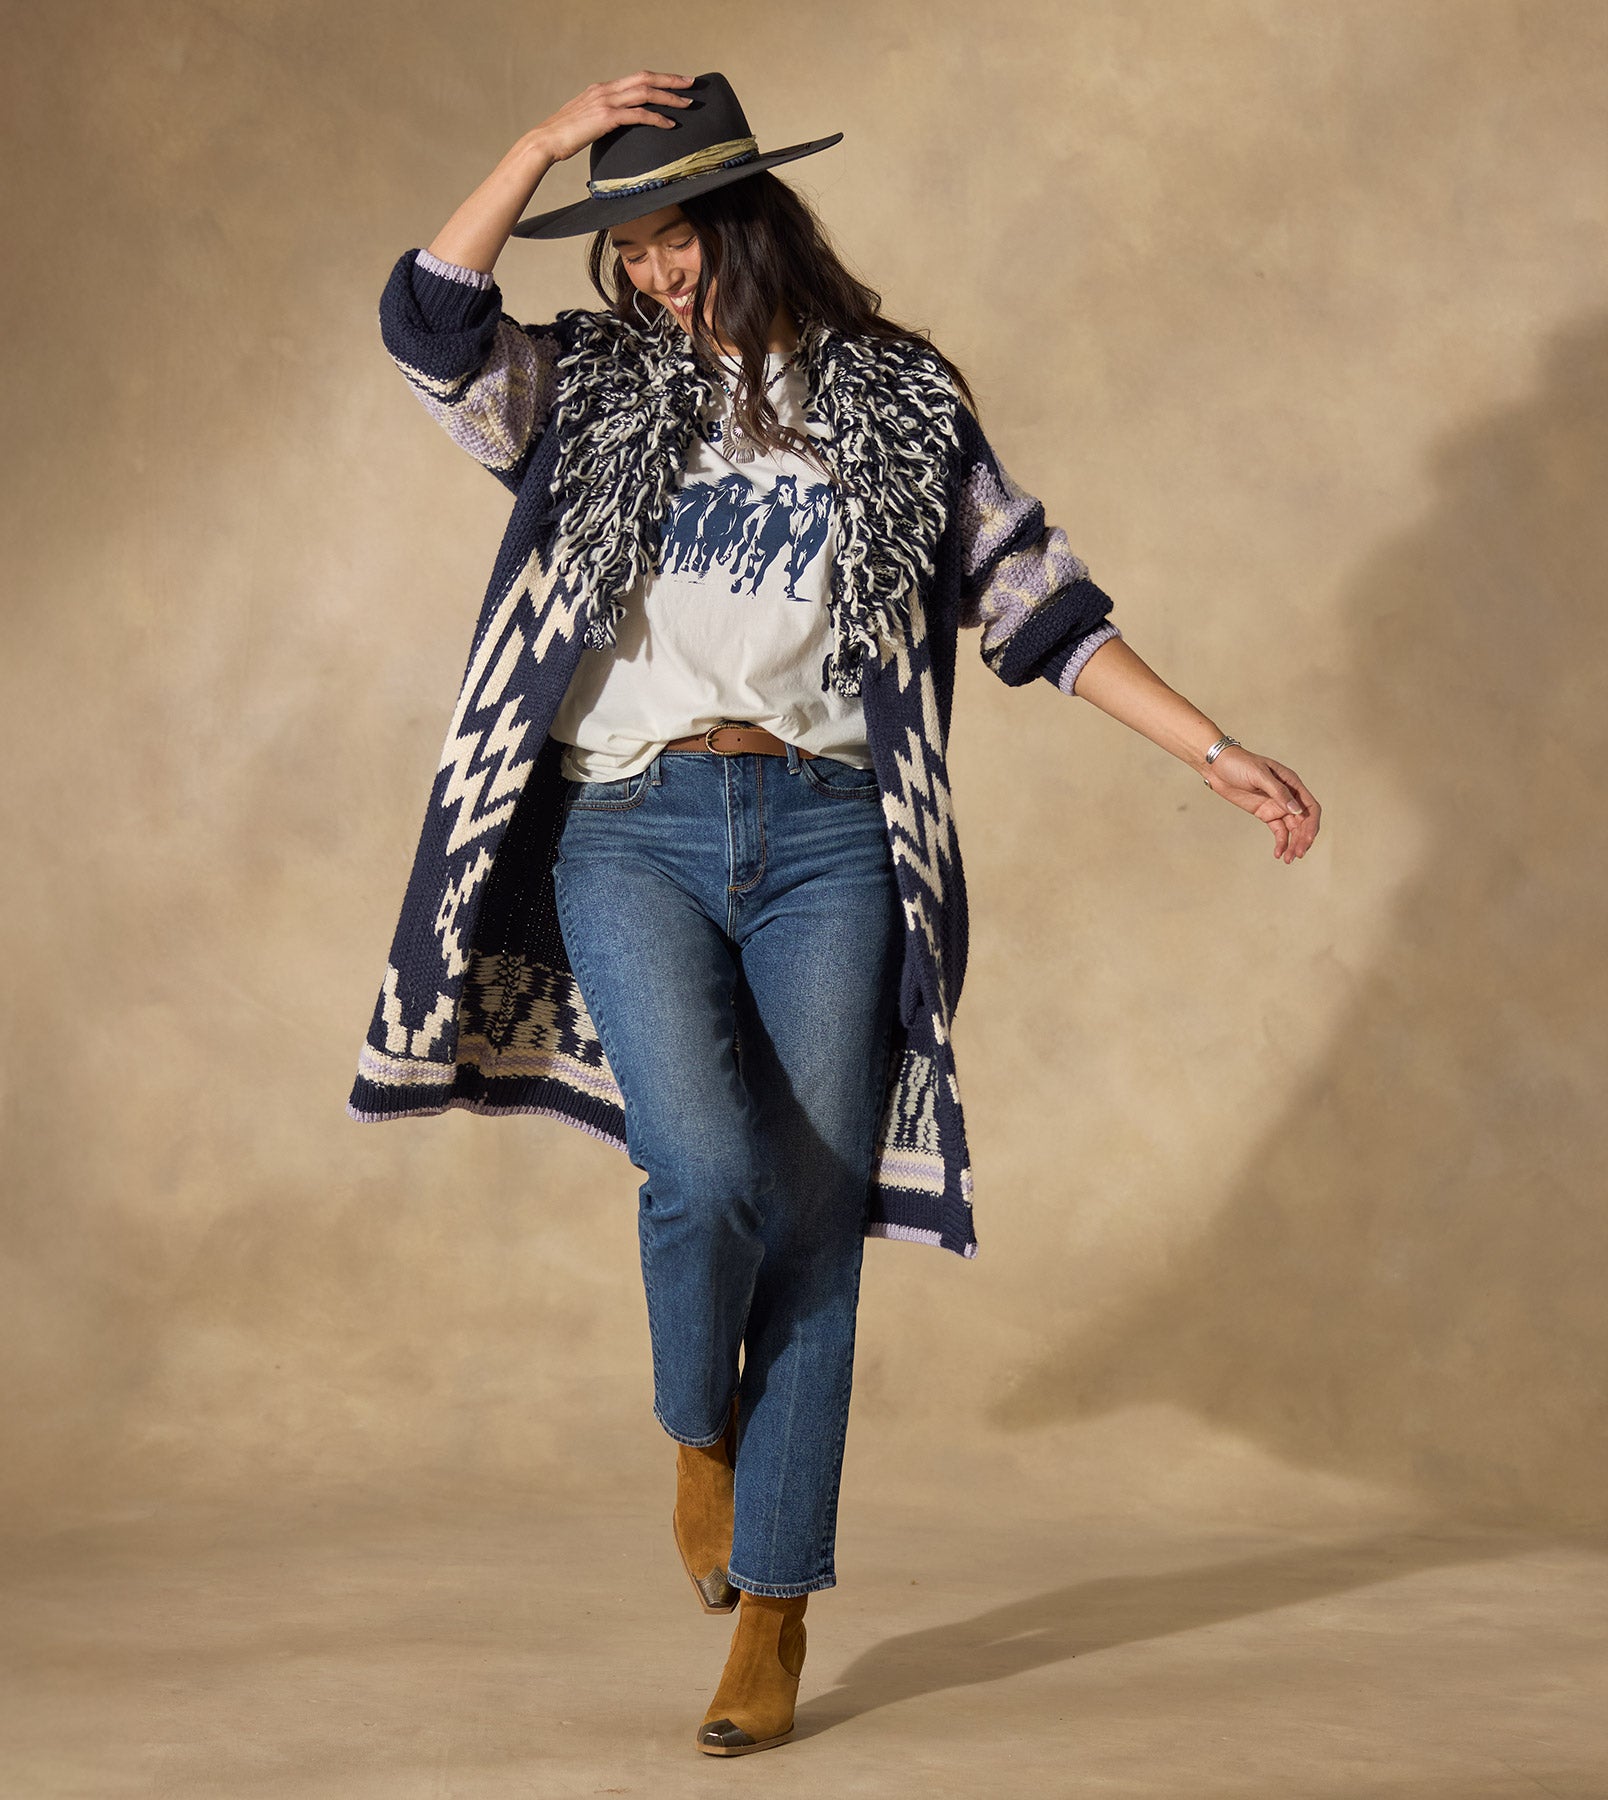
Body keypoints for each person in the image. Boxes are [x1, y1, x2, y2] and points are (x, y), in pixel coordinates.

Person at [352, 69, 1322, 1757]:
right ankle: (697, 1431)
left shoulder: (899, 397)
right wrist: (539, 146)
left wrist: (1214, 747)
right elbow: (429, 321)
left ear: (751, 221)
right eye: (629, 248)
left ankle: (777, 1613)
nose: (654, 274)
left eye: (675, 238)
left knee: (811, 1221)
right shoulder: (591, 388)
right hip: (631, 826)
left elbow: (1038, 606)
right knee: (704, 1167)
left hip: (831, 839)